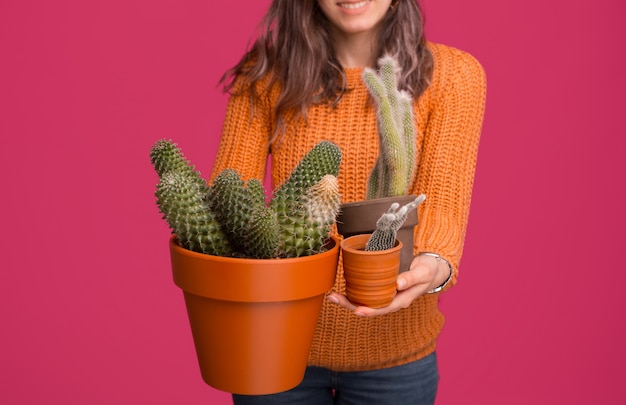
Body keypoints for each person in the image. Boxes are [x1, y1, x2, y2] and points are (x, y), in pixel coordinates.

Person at [210, 0, 486, 403]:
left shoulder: (454, 76)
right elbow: (230, 196)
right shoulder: (265, 76)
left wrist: (434, 265)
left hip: (395, 360)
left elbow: (443, 203)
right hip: (272, 346)